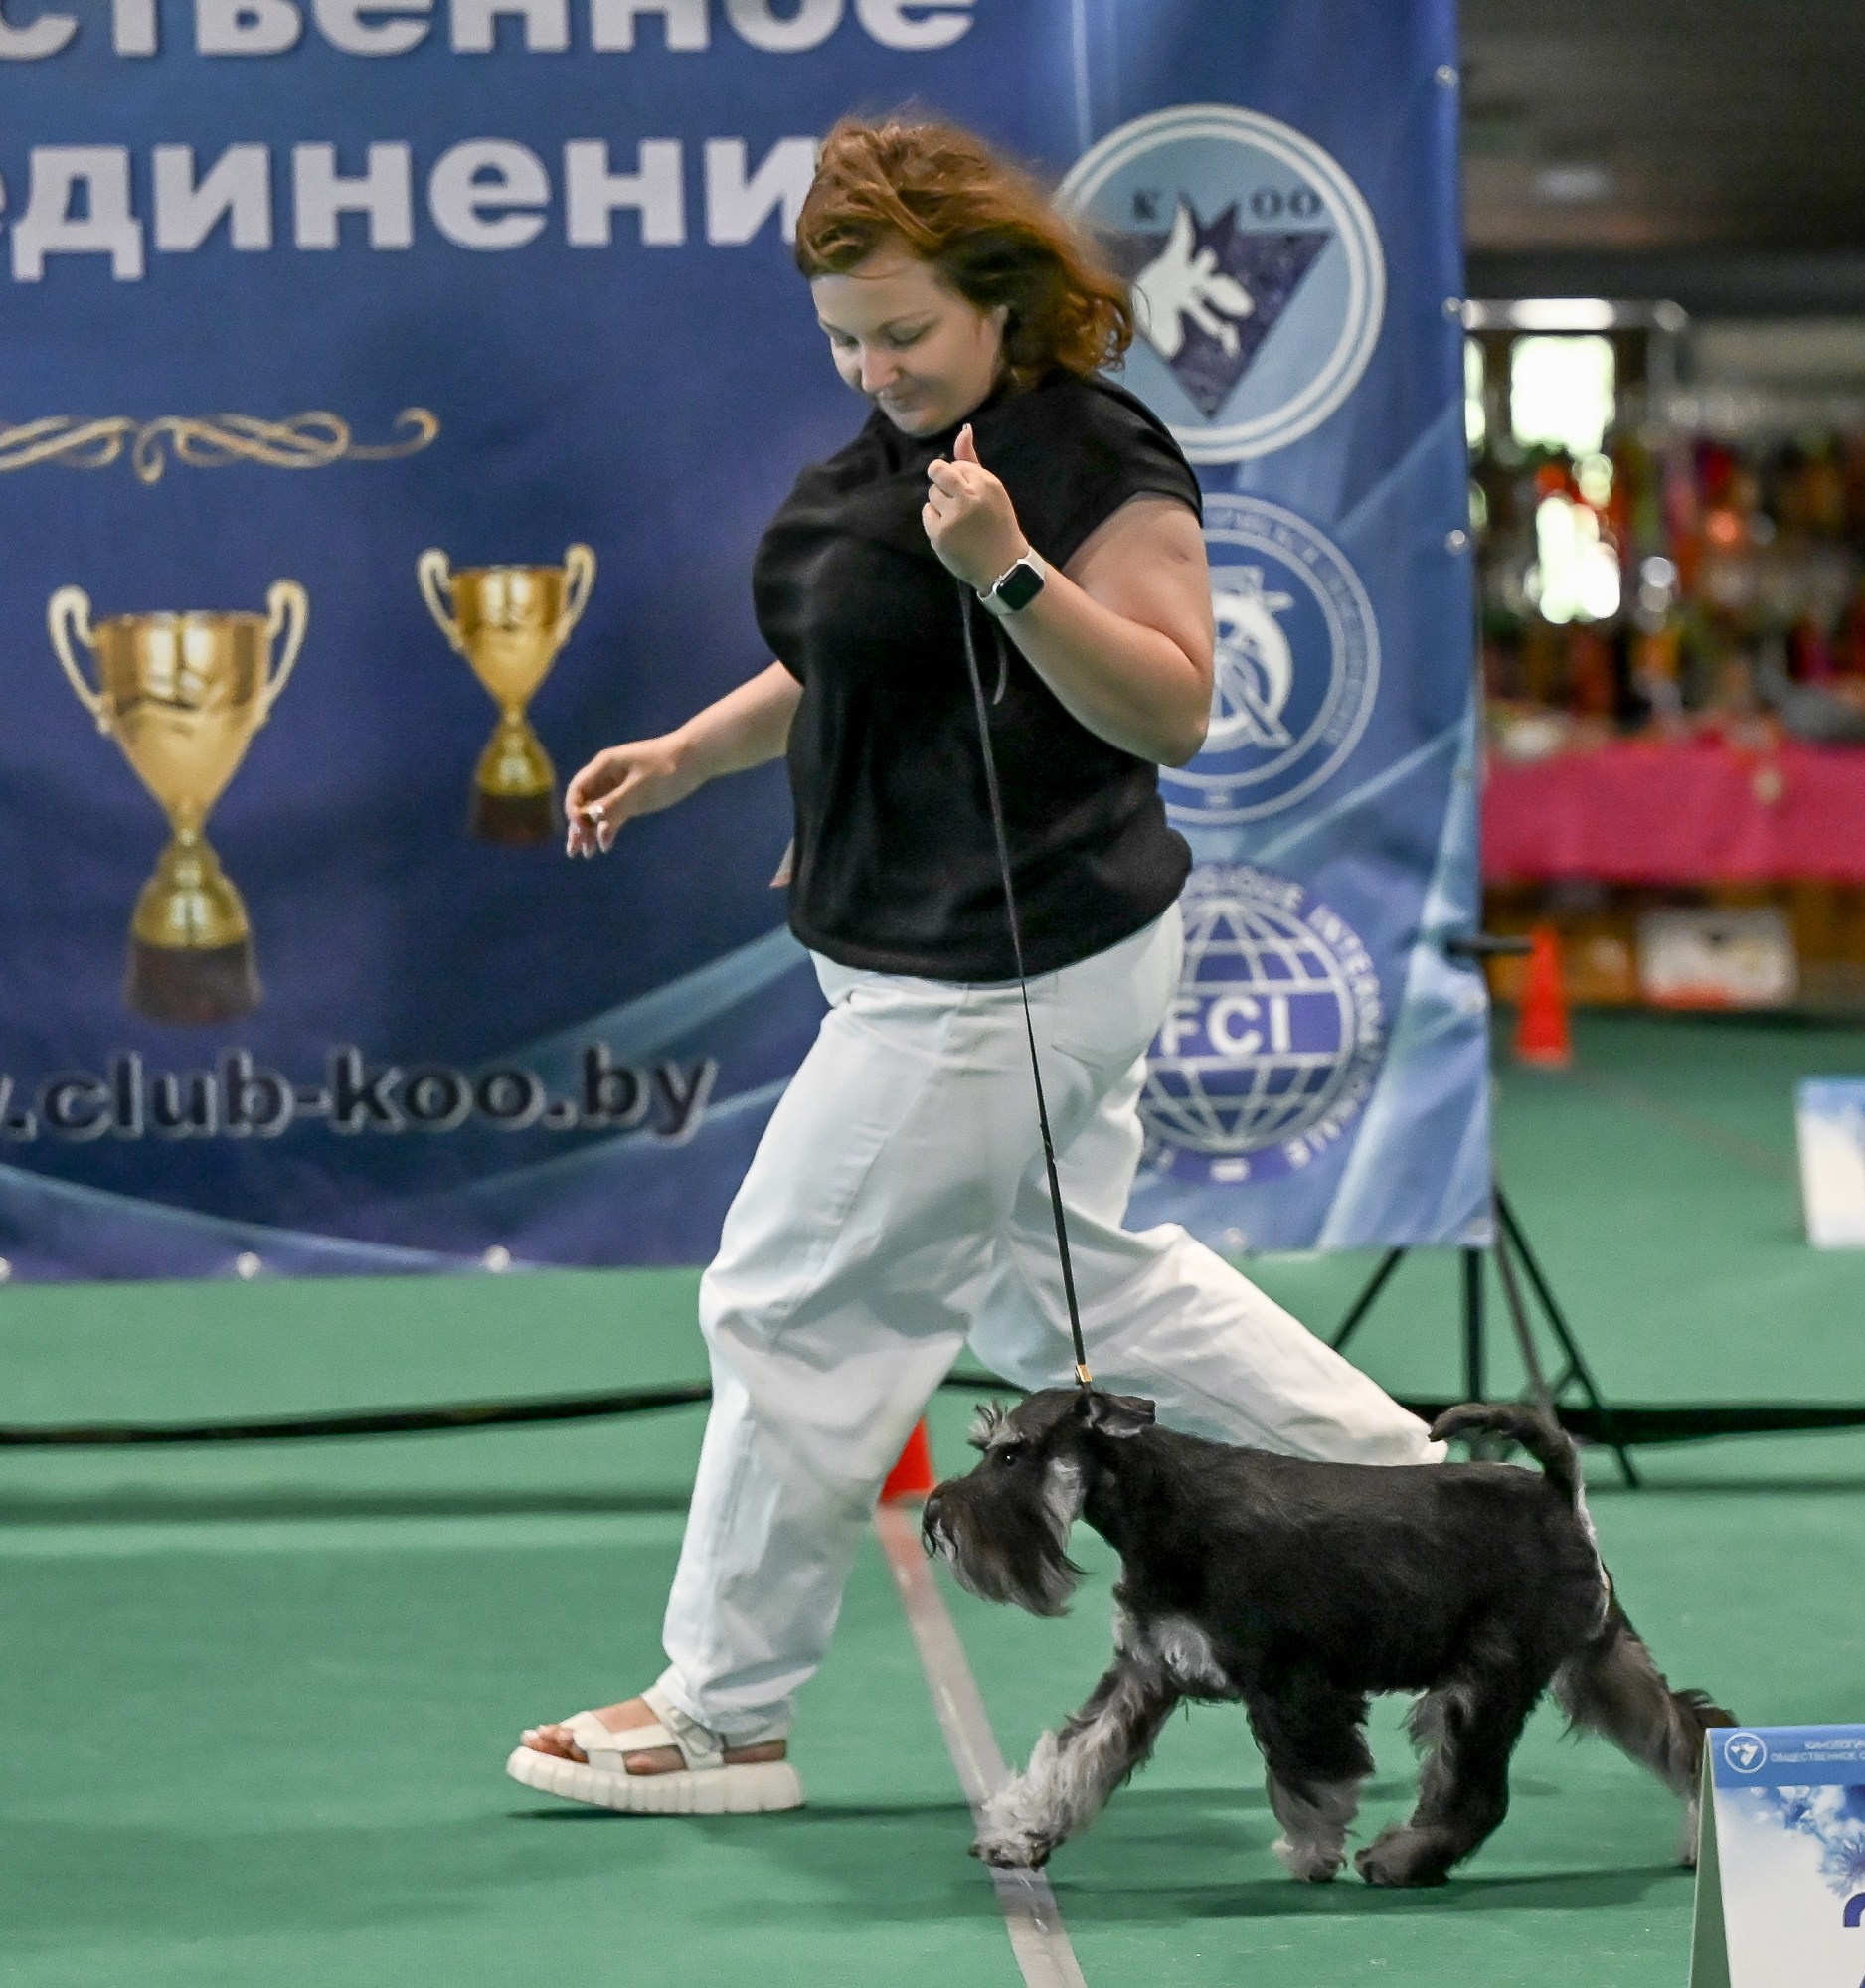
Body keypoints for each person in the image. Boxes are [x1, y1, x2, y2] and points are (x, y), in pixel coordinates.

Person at [506, 115, 1436, 1814]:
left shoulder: (1090, 457)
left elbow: (1169, 699)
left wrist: (1006, 563)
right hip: (907, 964)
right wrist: (690, 755)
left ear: (1001, 300)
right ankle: (1430, 1501)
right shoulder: (896, 458)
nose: (873, 365)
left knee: (786, 1299)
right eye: (844, 338)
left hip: (1006, 979)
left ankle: (722, 1715)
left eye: (905, 332)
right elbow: (855, 660)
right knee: (1080, 1293)